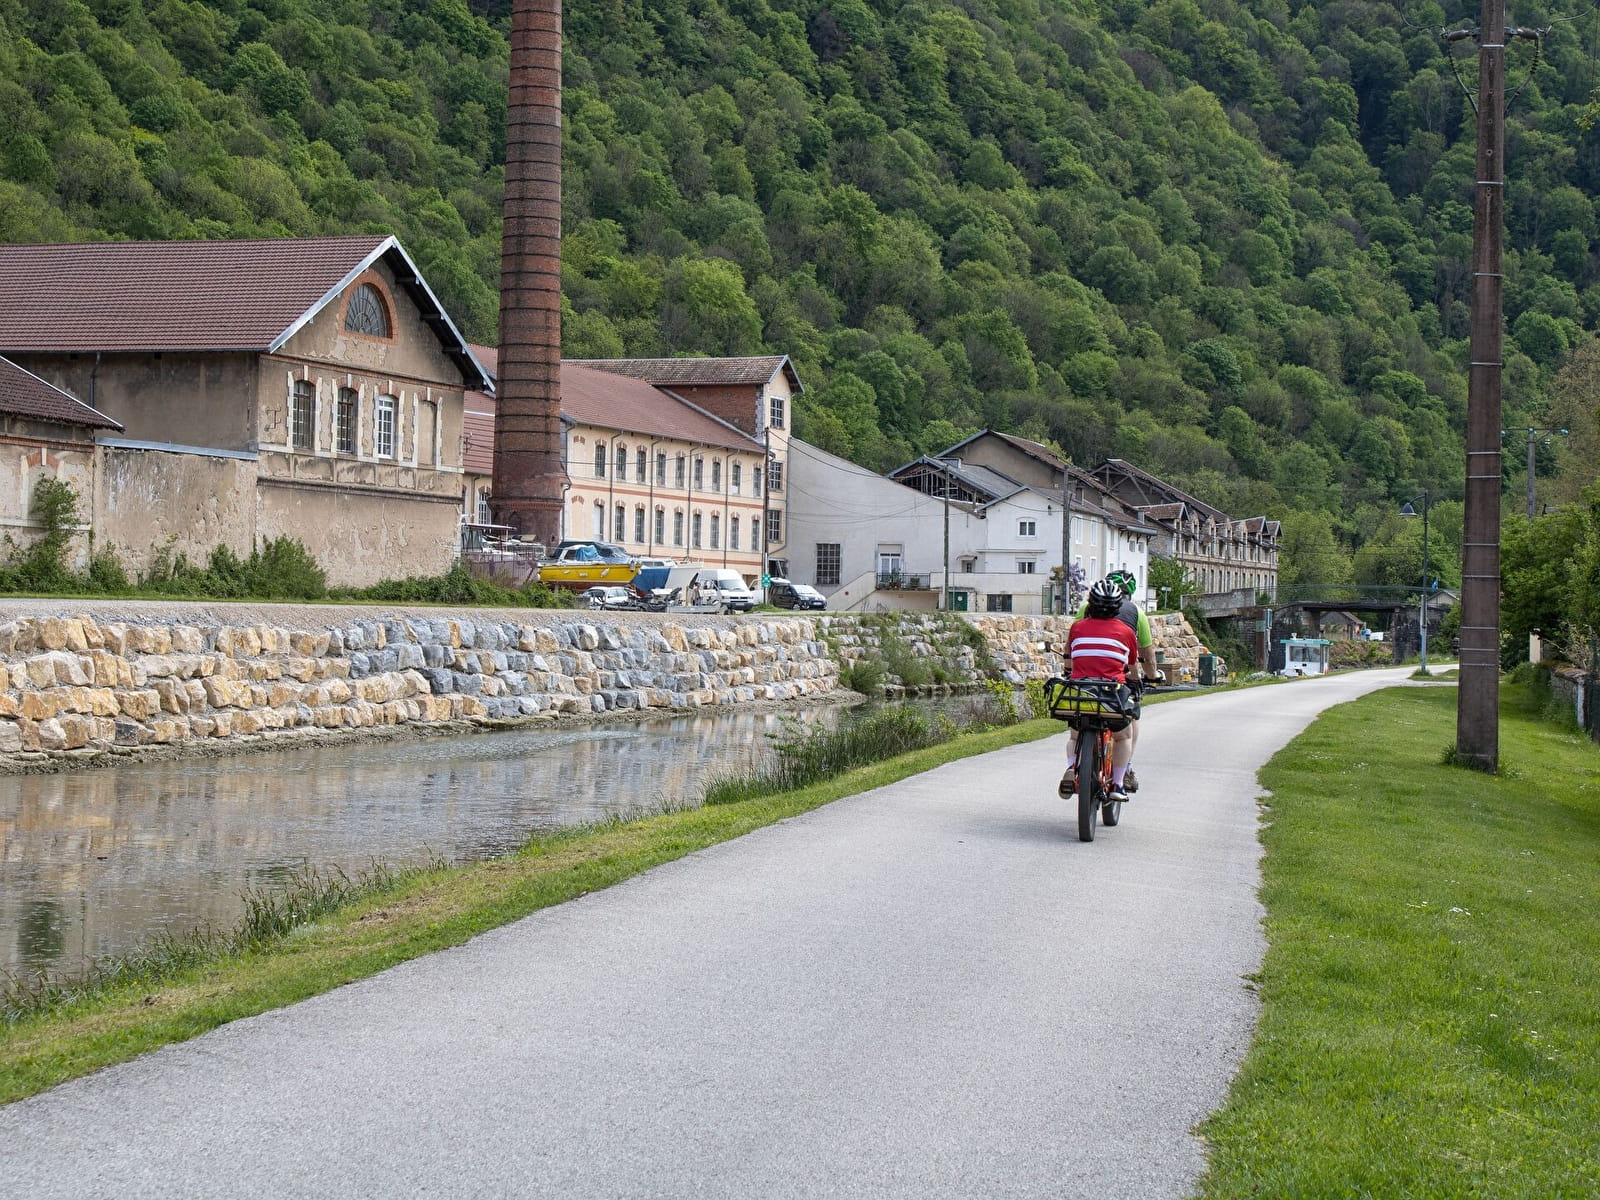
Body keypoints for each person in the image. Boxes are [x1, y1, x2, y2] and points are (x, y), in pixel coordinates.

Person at [1074, 568, 1160, 792]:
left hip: (1083, 680)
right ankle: (1125, 771)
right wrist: (1150, 676)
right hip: (1116, 679)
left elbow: (1074, 646)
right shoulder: (1136, 614)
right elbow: (1146, 655)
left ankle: (1073, 766)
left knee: (1077, 723)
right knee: (1131, 718)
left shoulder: (1083, 612)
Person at [1059, 579, 1139, 802]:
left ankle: (1072, 767)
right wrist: (1136, 679)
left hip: (1081, 692)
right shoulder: (1126, 632)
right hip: (1111, 696)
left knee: (1075, 735)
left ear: (1090, 604)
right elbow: (1132, 666)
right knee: (1124, 736)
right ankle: (1118, 784)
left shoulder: (1077, 628)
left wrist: (1070, 672)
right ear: (1117, 607)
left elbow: (1069, 660)